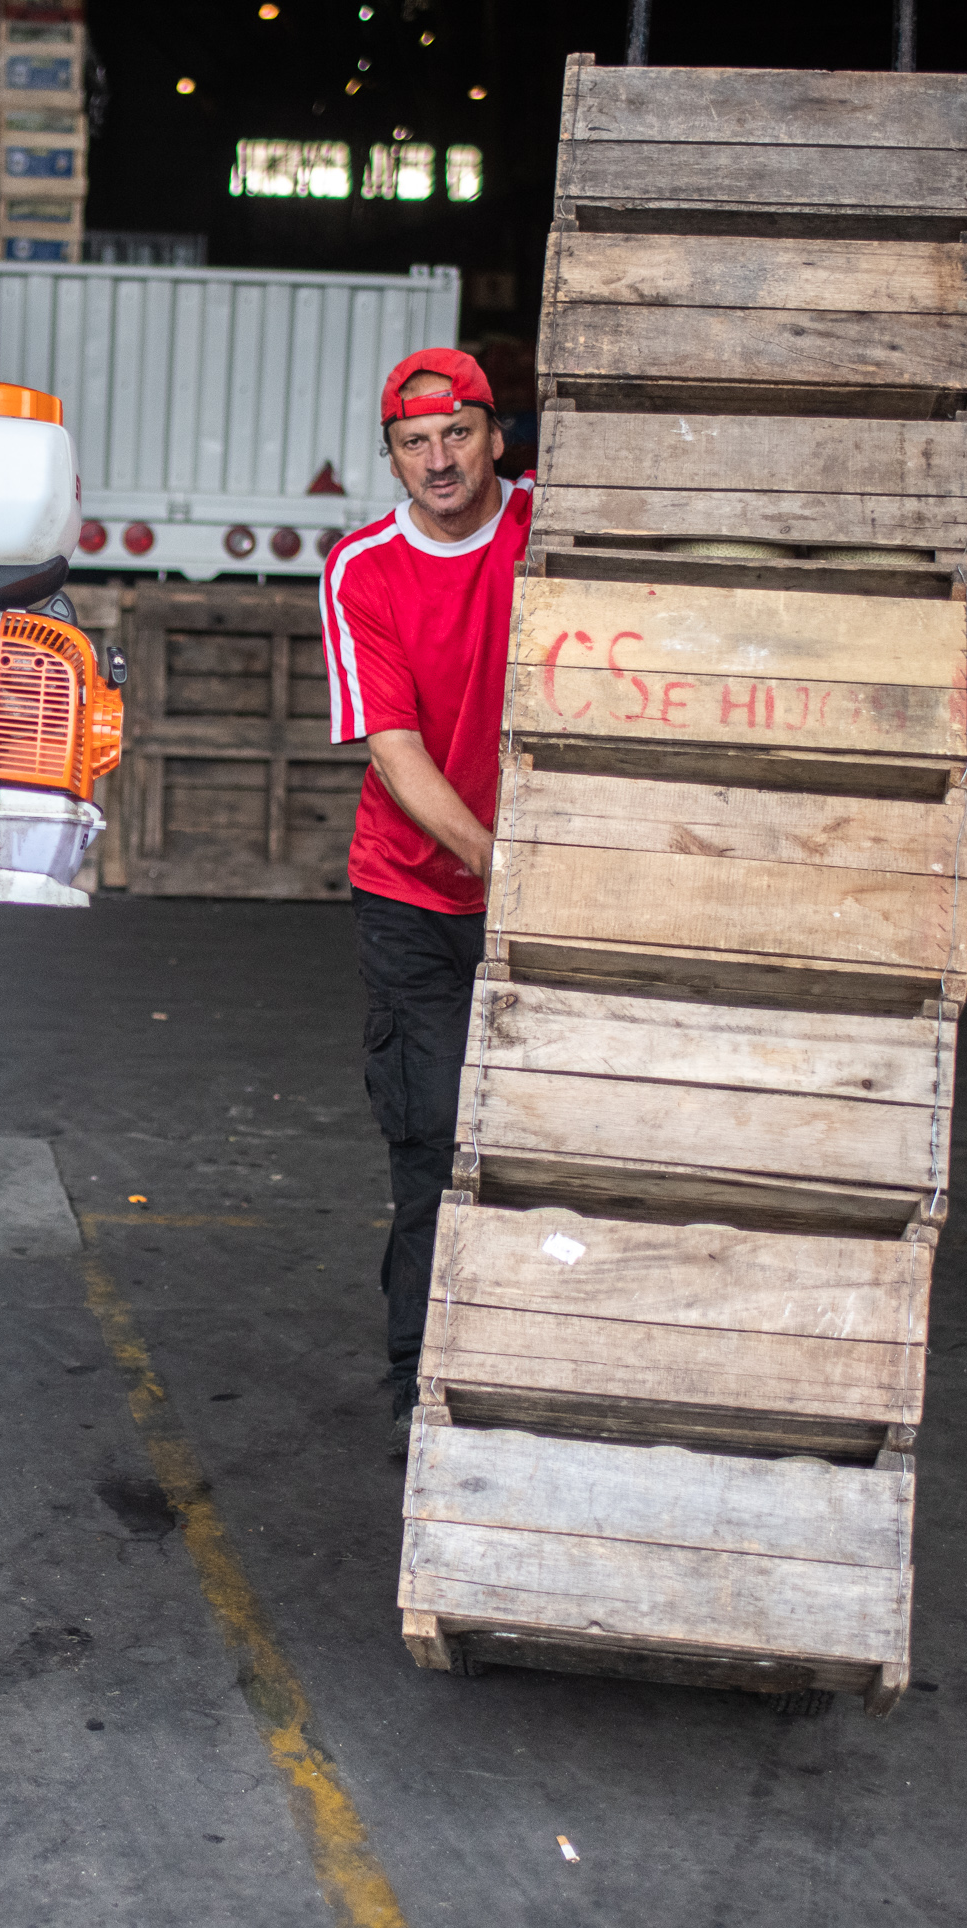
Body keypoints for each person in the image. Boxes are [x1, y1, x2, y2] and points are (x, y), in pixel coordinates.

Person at [316, 347, 534, 1453]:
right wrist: (503, 864)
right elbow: (396, 752)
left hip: (548, 887)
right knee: (433, 1135)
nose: (439, 459)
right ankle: (419, 1380)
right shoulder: (363, 568)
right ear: (393, 458)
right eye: (415, 442)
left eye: (458, 433)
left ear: (497, 437)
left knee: (546, 1138)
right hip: (414, 891)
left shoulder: (551, 533)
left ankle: (532, 1362)